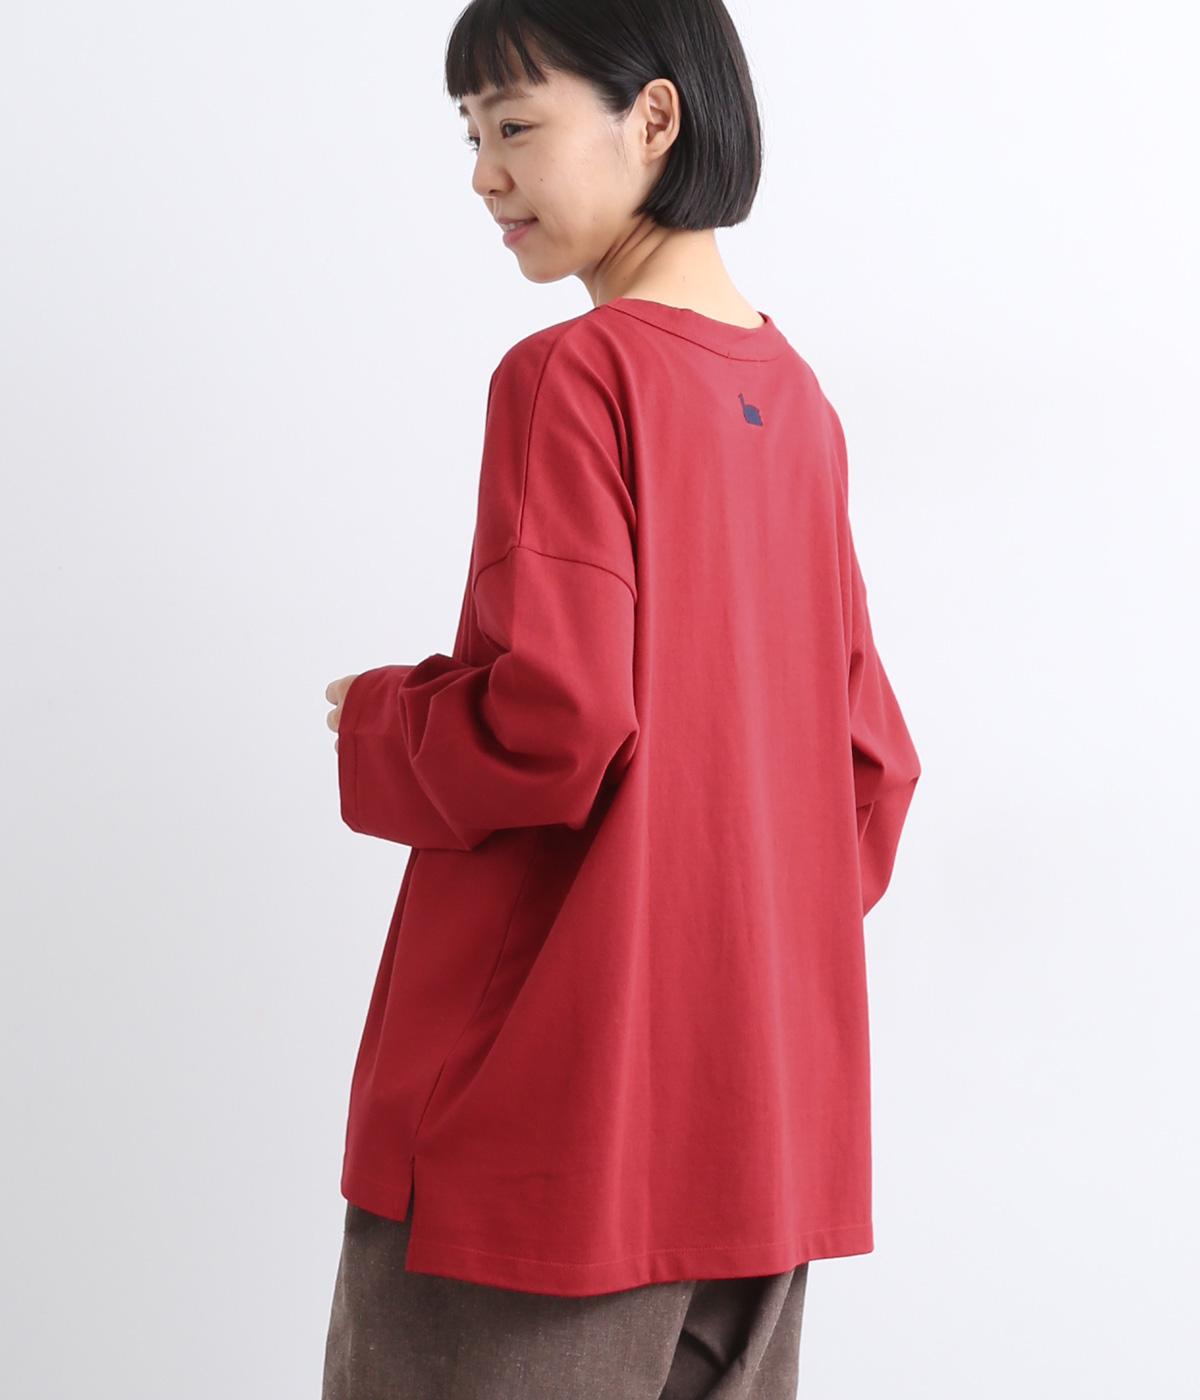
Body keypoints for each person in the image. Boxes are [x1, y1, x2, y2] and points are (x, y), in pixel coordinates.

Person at [321, 1, 921, 1395]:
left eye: (516, 125)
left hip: (544, 1138)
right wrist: (726, 954)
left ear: (655, 118)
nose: (486, 175)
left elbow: (559, 723)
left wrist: (383, 719)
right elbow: (872, 770)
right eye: (472, 136)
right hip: (758, 1137)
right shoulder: (796, 402)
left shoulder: (573, 375)